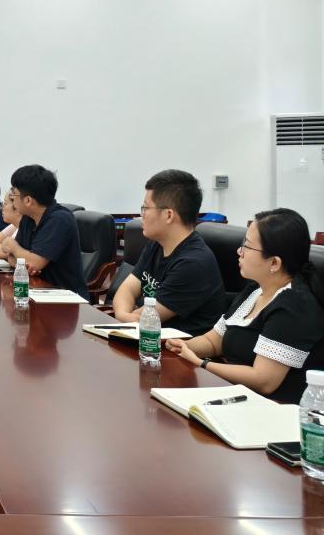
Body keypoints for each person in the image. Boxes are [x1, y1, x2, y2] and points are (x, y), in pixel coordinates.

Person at [166, 208, 324, 403]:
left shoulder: (294, 306)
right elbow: (213, 342)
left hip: (273, 408)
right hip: (236, 395)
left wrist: (202, 363)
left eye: (247, 246)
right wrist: (181, 346)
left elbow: (264, 381)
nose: (239, 251)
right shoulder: (256, 289)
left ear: (274, 263)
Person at [112, 170, 227, 335]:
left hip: (177, 348)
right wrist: (123, 315)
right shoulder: (156, 245)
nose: (141, 215)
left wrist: (125, 317)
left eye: (145, 208)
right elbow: (127, 290)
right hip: (149, 339)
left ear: (168, 215)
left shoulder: (193, 264)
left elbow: (147, 318)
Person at [1, 165, 87, 298]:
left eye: (14, 194)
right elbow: (12, 259)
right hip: (37, 289)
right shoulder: (28, 218)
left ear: (28, 200)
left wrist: (13, 246)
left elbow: (33, 263)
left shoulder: (59, 220)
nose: (13, 198)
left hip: (65, 298)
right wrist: (24, 260)